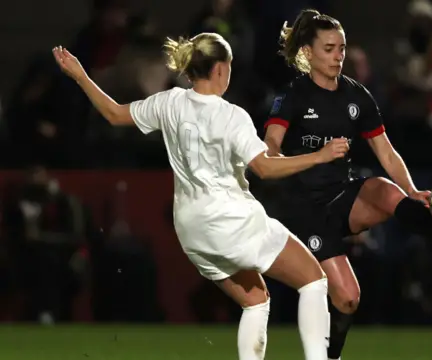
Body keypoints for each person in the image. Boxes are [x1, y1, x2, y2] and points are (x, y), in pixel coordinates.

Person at [52, 32, 349, 360]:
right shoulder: (231, 115)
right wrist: (319, 156)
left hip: (192, 228)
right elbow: (264, 168)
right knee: (313, 281)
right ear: (221, 69)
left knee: (255, 300)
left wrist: (81, 76)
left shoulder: (169, 102)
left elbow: (114, 114)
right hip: (230, 218)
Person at [263, 9, 432, 360]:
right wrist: (312, 155)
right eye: (330, 48)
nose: (338, 56)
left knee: (382, 188)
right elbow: (269, 150)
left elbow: (387, 152)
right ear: (307, 53)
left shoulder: (356, 96)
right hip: (307, 210)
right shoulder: (293, 97)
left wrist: (412, 191)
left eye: (342, 48)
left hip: (343, 195)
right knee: (348, 298)